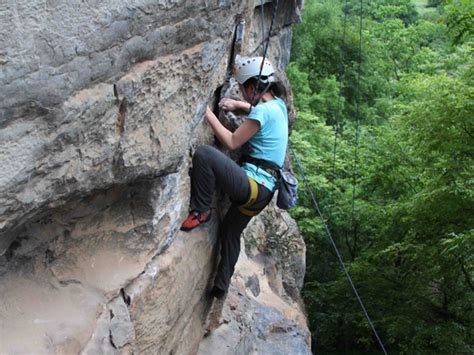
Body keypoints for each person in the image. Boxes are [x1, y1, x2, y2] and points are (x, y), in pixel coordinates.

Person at [180, 55, 289, 300]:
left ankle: (201, 210)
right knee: (230, 232)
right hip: (264, 194)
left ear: (252, 87)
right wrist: (240, 106)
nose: (241, 93)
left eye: (242, 90)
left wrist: (206, 112)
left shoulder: (263, 112)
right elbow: (259, 112)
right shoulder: (278, 106)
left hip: (250, 186)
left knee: (205, 154)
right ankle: (221, 286)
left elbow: (231, 142)